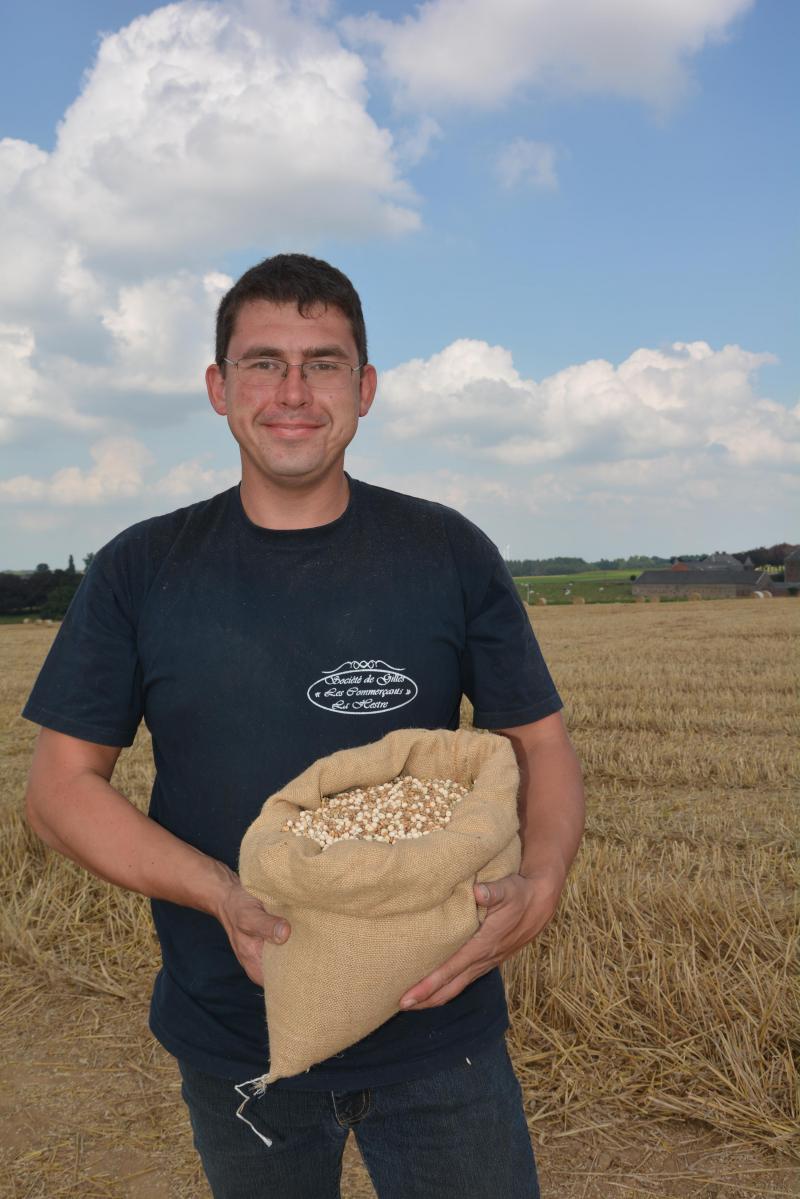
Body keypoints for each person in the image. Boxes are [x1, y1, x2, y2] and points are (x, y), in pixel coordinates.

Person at [23, 253, 585, 1199]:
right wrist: (223, 893)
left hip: (437, 1024)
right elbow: (57, 791)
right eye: (263, 362)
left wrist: (544, 881)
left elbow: (541, 746)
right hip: (237, 1036)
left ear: (364, 389)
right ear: (218, 387)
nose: (293, 391)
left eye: (323, 363)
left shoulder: (447, 549)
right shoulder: (141, 567)